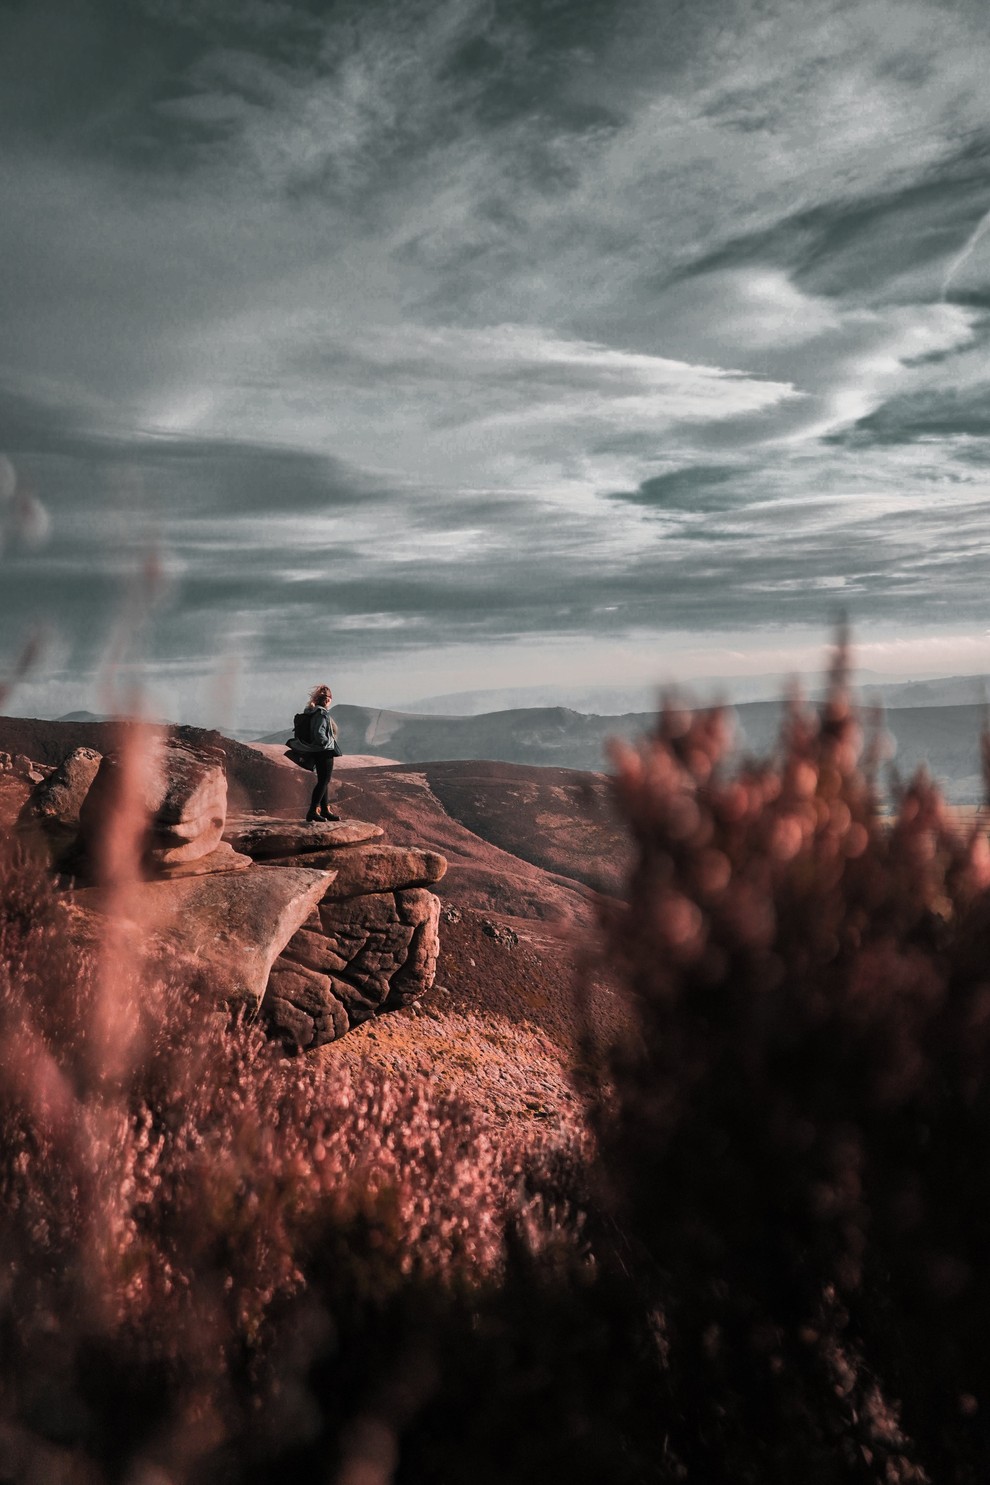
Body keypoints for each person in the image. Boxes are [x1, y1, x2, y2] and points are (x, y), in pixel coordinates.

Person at [289, 683, 341, 822]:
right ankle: (313, 811)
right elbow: (319, 733)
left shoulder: (312, 712)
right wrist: (325, 744)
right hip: (324, 751)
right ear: (328, 699)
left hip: (318, 751)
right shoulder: (322, 713)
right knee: (324, 781)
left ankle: (324, 810)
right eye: (330, 698)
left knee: (323, 780)